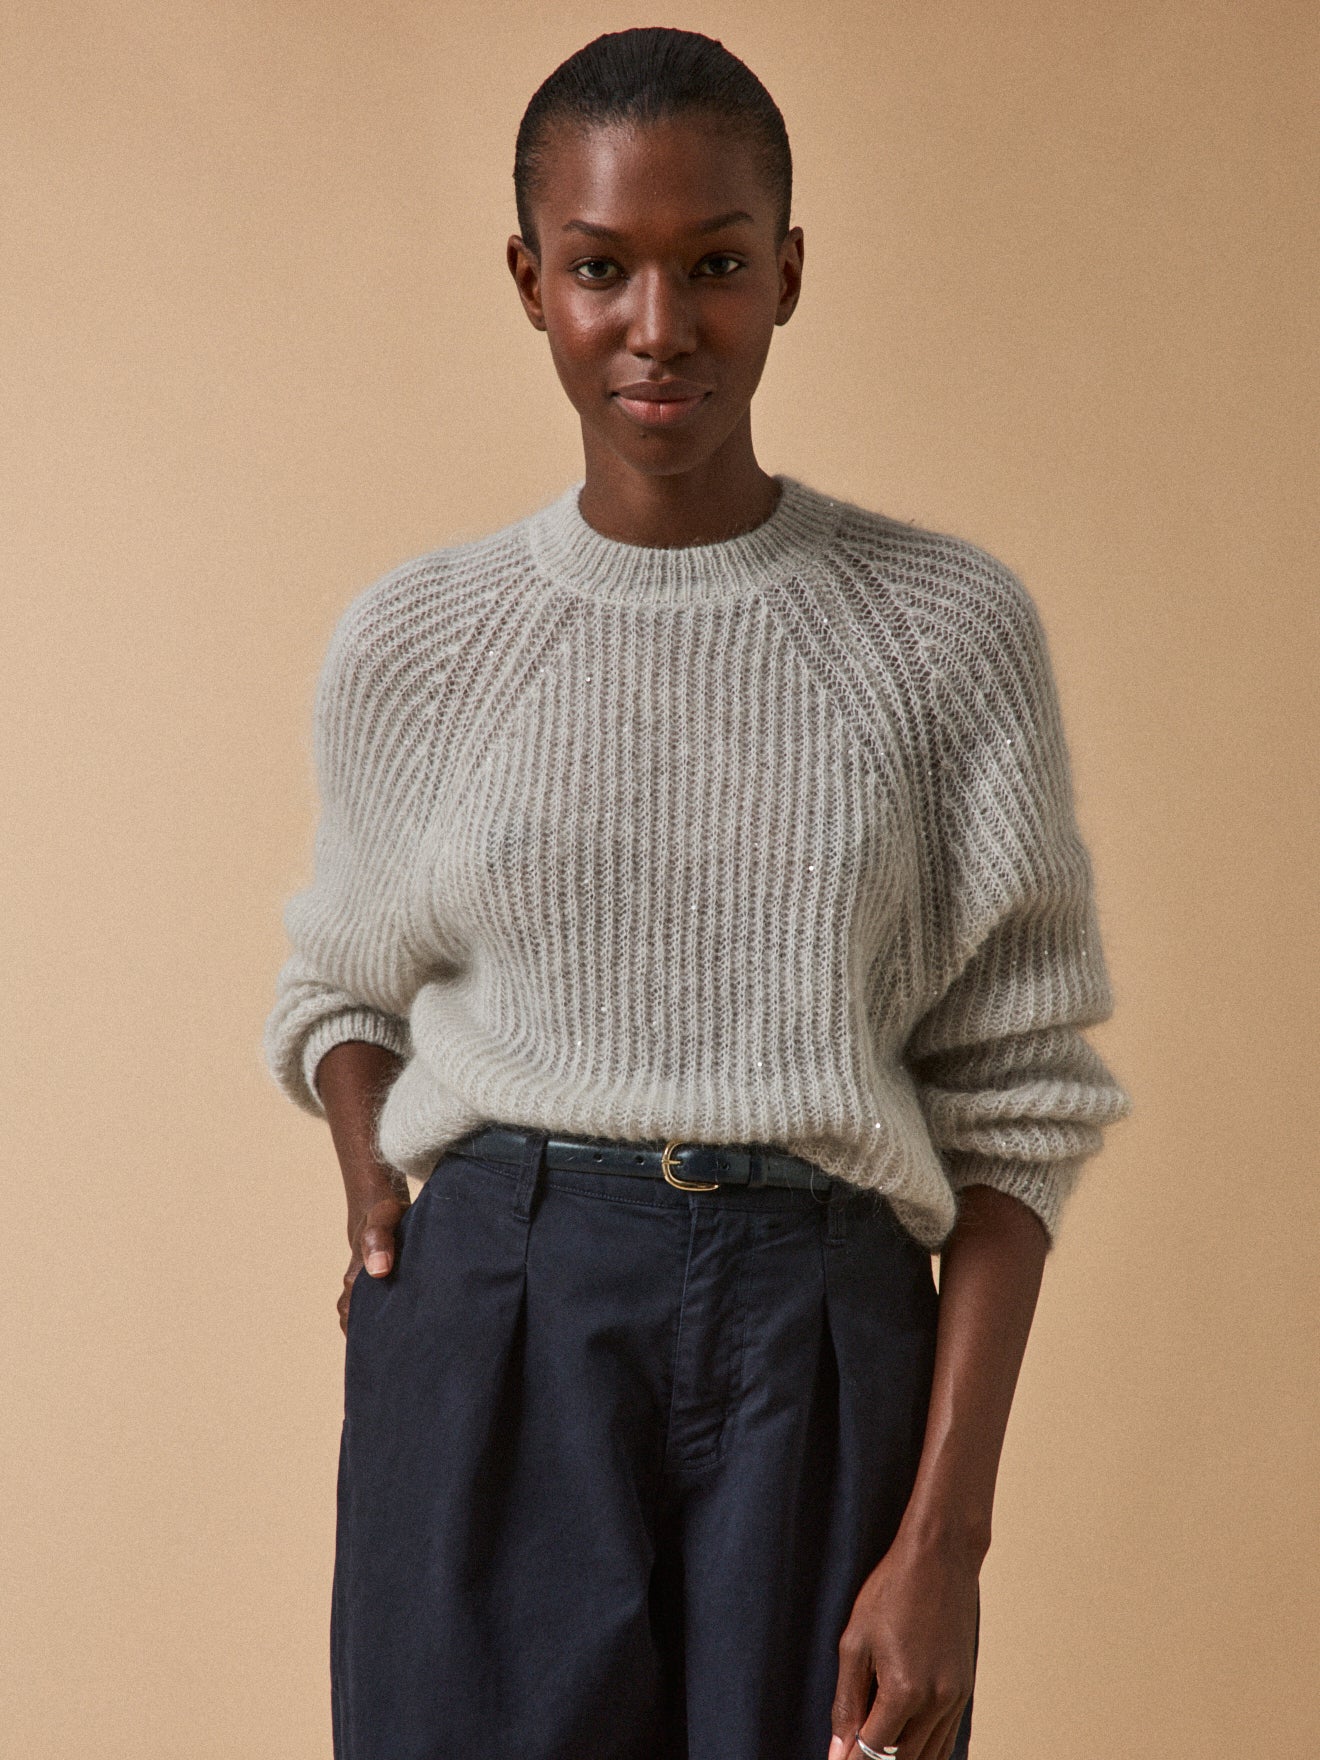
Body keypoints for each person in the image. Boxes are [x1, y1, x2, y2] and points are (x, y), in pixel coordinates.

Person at [262, 26, 1132, 1760]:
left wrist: (947, 1545)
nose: (658, 325)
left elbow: (1018, 1109)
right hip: (500, 1318)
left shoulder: (944, 635)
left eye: (715, 265)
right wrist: (374, 1183)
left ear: (788, 272)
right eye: (601, 268)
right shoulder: (420, 644)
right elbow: (342, 992)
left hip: (825, 1325)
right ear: (531, 281)